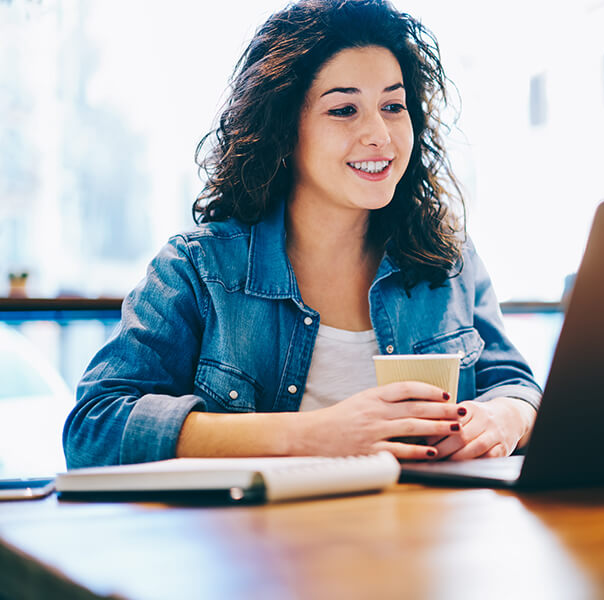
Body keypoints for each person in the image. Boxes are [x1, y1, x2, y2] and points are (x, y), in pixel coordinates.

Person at [63, 0, 542, 469]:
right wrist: (315, 435)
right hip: (261, 546)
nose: (380, 134)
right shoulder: (199, 269)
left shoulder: (445, 259)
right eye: (344, 110)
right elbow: (93, 429)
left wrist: (505, 418)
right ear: (284, 130)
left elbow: (517, 386)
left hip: (421, 538)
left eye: (393, 106)